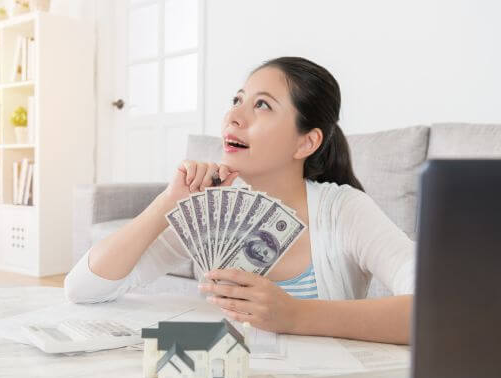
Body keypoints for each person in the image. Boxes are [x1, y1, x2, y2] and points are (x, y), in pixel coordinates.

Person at [64, 57, 415, 345]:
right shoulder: (211, 213)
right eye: (237, 100)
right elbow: (83, 288)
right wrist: (168, 202)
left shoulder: (343, 211)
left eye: (262, 104)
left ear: (305, 143)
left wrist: (293, 315)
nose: (234, 116)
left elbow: (438, 308)